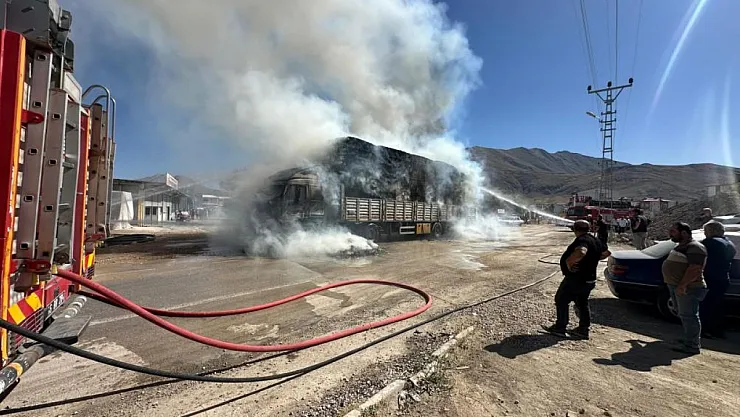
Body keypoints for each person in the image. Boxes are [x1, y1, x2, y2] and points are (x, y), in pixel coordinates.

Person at [542, 220, 611, 340]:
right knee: (582, 303)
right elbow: (606, 253)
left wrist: (569, 263)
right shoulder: (594, 240)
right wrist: (592, 259)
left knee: (561, 300)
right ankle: (583, 330)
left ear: (575, 229)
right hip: (589, 279)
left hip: (577, 279)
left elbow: (581, 251)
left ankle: (560, 328)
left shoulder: (582, 240)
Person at [661, 222, 708, 355]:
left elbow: (695, 269)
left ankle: (692, 346)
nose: (670, 234)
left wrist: (682, 285)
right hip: (677, 286)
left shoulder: (695, 247)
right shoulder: (681, 246)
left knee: (689, 316)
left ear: (684, 233)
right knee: (683, 315)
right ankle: (689, 340)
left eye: (673, 231)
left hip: (688, 288)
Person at [699, 220, 736, 338]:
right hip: (723, 278)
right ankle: (718, 330)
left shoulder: (710, 243)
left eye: (706, 231)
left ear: (711, 231)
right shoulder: (729, 243)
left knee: (706, 305)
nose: (705, 233)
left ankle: (705, 330)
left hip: (710, 278)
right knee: (717, 305)